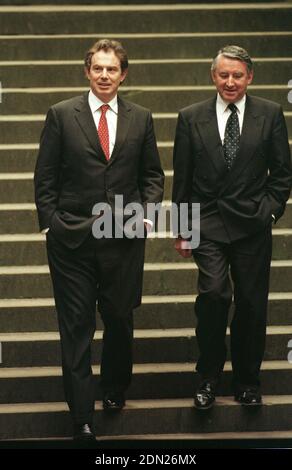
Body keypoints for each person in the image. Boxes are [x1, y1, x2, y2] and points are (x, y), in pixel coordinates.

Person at [34, 39, 164, 440]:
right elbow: (46, 176)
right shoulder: (61, 115)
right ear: (87, 72)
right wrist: (51, 222)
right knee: (75, 327)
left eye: (112, 69)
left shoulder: (140, 118)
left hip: (122, 239)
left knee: (120, 320)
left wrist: (147, 212)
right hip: (71, 241)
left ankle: (114, 387)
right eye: (98, 68)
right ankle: (81, 415)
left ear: (123, 74)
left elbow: (153, 176)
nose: (105, 75)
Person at [172, 45, 291, 410]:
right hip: (207, 224)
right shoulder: (191, 117)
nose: (230, 82)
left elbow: (282, 174)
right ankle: (207, 377)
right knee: (214, 295)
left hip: (252, 225)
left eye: (237, 75)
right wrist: (182, 229)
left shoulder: (269, 115)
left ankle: (247, 382)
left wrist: (268, 213)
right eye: (223, 75)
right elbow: (183, 180)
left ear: (249, 77)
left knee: (252, 306)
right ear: (213, 76)